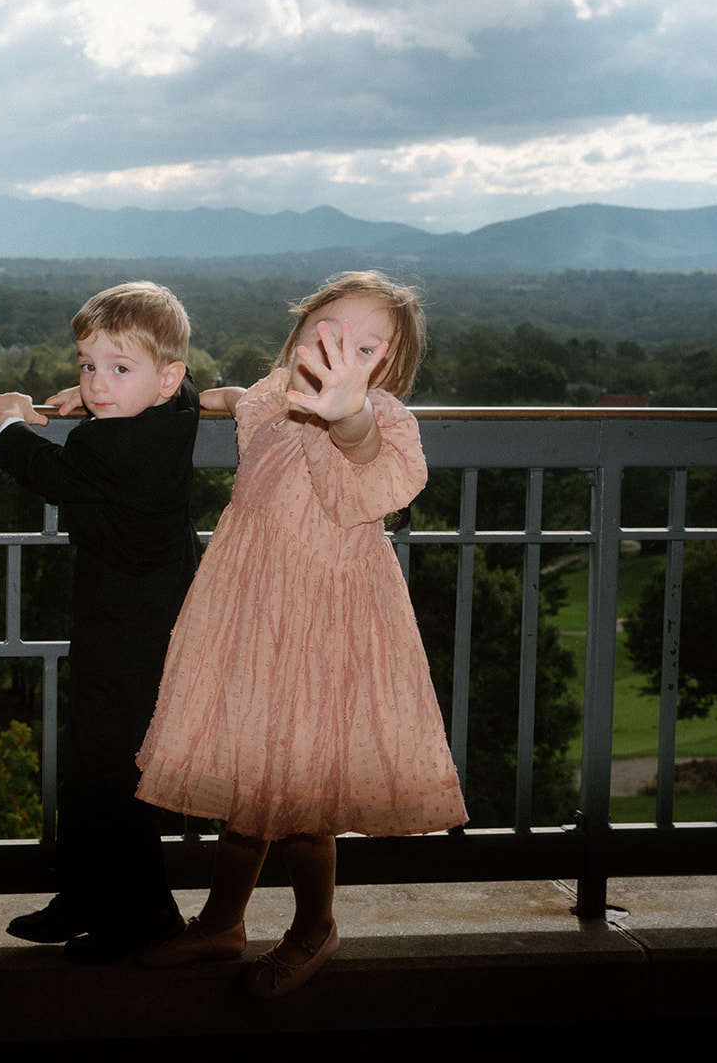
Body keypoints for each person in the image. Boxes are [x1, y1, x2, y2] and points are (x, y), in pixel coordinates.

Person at [133, 272, 467, 996]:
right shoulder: (272, 398)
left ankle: (314, 923)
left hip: (323, 630)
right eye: (330, 332)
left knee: (302, 796)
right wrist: (150, 394)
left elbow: (366, 447)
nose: (343, 350)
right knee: (256, 776)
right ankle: (223, 922)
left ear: (388, 366)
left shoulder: (379, 420)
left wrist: (348, 410)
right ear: (300, 330)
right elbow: (230, 398)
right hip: (253, 617)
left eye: (367, 346)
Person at [0, 281, 201, 962]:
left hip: (126, 627)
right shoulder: (178, 410)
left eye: (118, 369)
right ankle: (82, 894)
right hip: (150, 611)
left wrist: (10, 417)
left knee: (112, 766)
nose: (97, 383)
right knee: (91, 757)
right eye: (88, 366)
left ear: (164, 380)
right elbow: (178, 387)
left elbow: (43, 468)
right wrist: (103, 393)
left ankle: (147, 914)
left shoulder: (109, 449)